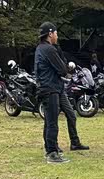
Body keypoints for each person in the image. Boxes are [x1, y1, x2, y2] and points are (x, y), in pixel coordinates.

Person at [35, 22, 70, 163]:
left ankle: (50, 147)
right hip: (51, 88)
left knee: (49, 121)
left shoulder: (40, 48)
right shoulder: (49, 49)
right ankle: (52, 153)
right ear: (50, 34)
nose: (57, 36)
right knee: (52, 122)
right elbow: (63, 69)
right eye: (56, 33)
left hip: (45, 88)